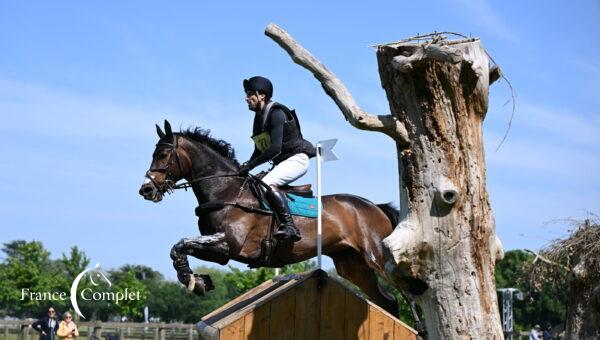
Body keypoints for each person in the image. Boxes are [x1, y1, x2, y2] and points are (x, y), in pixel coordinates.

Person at [239, 76, 316, 242]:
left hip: (297, 159)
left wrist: (251, 164)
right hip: (283, 162)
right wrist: (245, 166)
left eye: (250, 94)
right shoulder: (259, 118)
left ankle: (290, 227)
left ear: (262, 96)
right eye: (246, 94)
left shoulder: (275, 113)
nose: (246, 98)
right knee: (254, 183)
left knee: (266, 184)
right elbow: (259, 149)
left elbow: (275, 149)